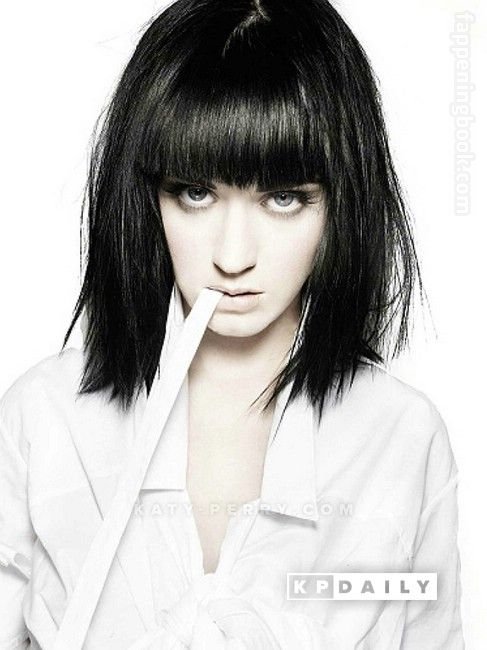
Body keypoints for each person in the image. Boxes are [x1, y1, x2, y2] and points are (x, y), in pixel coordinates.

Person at [0, 0, 465, 648]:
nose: (233, 254)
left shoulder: (400, 437)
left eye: (283, 197)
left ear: (342, 201)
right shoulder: (44, 419)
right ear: (148, 196)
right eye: (196, 192)